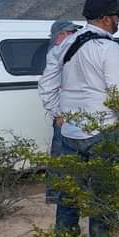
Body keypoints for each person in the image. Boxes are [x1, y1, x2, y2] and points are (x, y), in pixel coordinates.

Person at [53, 0, 119, 237]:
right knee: (103, 195)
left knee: (69, 194)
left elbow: (47, 83)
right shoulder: (108, 48)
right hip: (102, 129)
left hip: (71, 132)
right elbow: (118, 93)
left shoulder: (66, 43)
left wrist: (57, 114)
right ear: (106, 18)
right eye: (117, 15)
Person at [38, 19, 81, 204]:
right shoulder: (55, 54)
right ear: (61, 35)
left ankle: (69, 193)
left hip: (78, 112)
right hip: (65, 114)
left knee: (69, 155)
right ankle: (55, 195)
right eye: (71, 32)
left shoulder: (70, 51)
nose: (74, 35)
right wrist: (58, 113)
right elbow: (48, 87)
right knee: (60, 155)